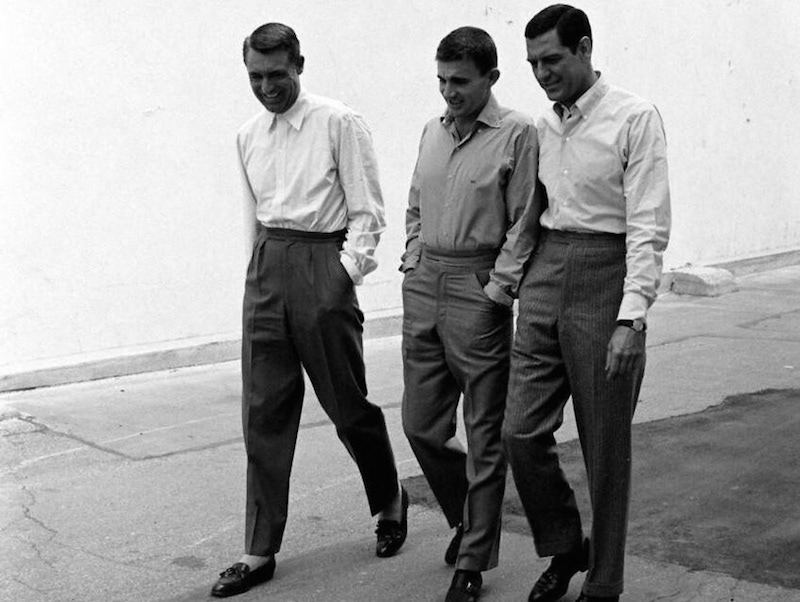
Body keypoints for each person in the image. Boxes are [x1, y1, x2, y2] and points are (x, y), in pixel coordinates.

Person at [211, 22, 408, 598]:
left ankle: (388, 499)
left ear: (300, 64)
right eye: (255, 76)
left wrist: (341, 278)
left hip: (323, 262)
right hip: (268, 269)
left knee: (348, 406)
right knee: (263, 413)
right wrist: (256, 276)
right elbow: (253, 213)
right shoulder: (248, 134)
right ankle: (259, 548)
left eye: (277, 74)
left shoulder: (337, 122)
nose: (267, 86)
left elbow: (368, 210)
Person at [502, 5, 671, 602]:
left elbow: (648, 226)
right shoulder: (544, 128)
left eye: (552, 60)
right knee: (519, 431)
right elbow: (531, 211)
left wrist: (632, 316)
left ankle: (605, 582)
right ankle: (567, 545)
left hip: (606, 275)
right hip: (547, 272)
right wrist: (512, 278)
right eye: (532, 65)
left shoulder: (634, 117)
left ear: (585, 47)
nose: (542, 74)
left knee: (605, 444)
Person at [401, 26, 540, 602]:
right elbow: (414, 202)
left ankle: (474, 560)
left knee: (484, 433)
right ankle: (467, 517)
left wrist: (498, 290)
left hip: (478, 286)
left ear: (491, 78)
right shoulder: (432, 131)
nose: (448, 92)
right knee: (421, 424)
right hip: (425, 280)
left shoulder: (517, 134)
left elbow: (525, 221)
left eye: (460, 81)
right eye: (441, 80)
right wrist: (412, 259)